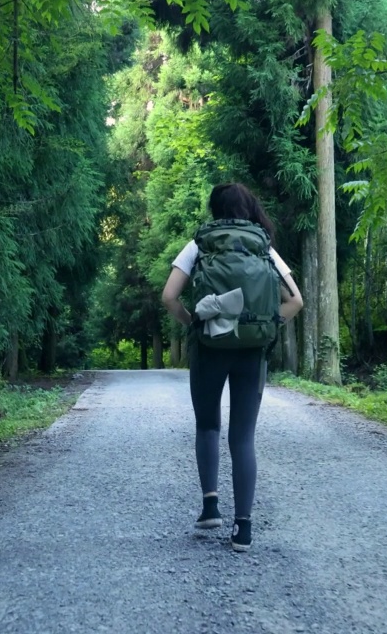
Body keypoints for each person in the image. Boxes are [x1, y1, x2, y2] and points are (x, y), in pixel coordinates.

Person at [161, 183, 303, 552]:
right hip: (252, 351)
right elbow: (295, 300)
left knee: (208, 425)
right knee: (243, 438)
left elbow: (169, 296)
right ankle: (243, 528)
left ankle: (210, 506)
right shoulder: (262, 246)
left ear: (215, 209)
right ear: (248, 209)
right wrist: (266, 325)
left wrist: (194, 321)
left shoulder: (200, 244)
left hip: (209, 347)